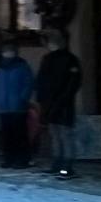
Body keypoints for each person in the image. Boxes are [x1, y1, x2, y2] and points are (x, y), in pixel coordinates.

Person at [35, 29, 82, 179]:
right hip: (60, 103)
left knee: (60, 135)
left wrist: (43, 100)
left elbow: (42, 82)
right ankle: (62, 166)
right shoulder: (69, 59)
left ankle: (63, 166)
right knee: (60, 134)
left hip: (55, 102)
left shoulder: (53, 59)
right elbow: (73, 83)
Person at [0, 40, 35, 169]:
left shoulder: (22, 66)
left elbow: (28, 83)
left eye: (10, 51)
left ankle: (22, 159)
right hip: (3, 106)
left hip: (18, 106)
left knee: (20, 134)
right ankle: (8, 158)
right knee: (6, 134)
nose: (7, 54)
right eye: (6, 52)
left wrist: (23, 98)